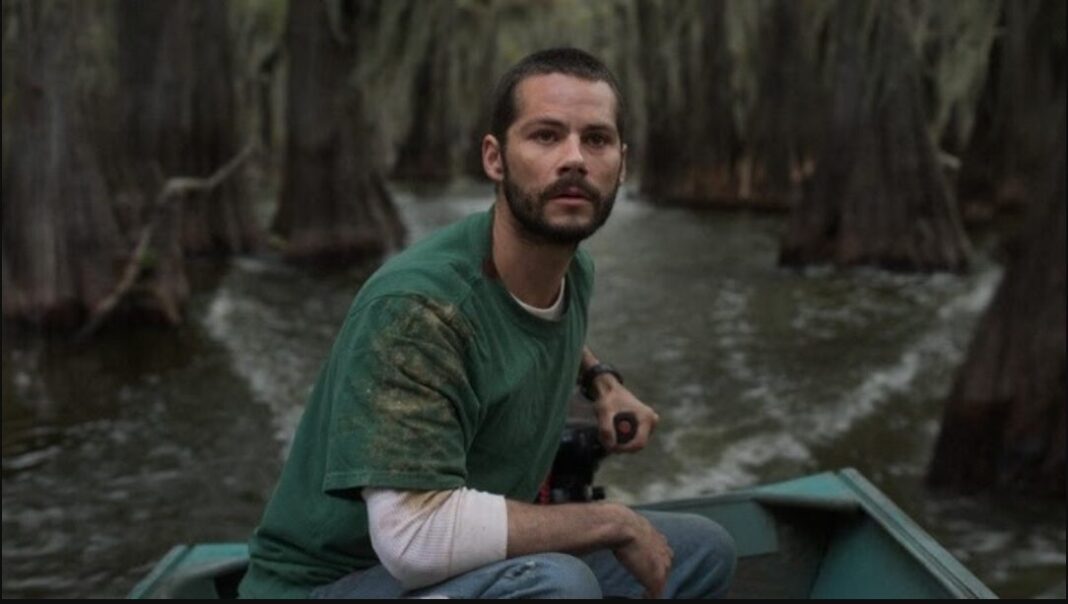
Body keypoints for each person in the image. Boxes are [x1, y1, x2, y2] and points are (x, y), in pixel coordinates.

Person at [238, 47, 736, 599]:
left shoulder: (572, 271)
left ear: (622, 162)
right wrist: (611, 521)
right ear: (495, 158)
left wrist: (602, 382)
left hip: (453, 571)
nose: (574, 158)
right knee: (557, 584)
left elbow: (530, 325)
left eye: (595, 139)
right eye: (546, 136)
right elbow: (415, 539)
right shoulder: (416, 310)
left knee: (703, 549)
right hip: (331, 585)